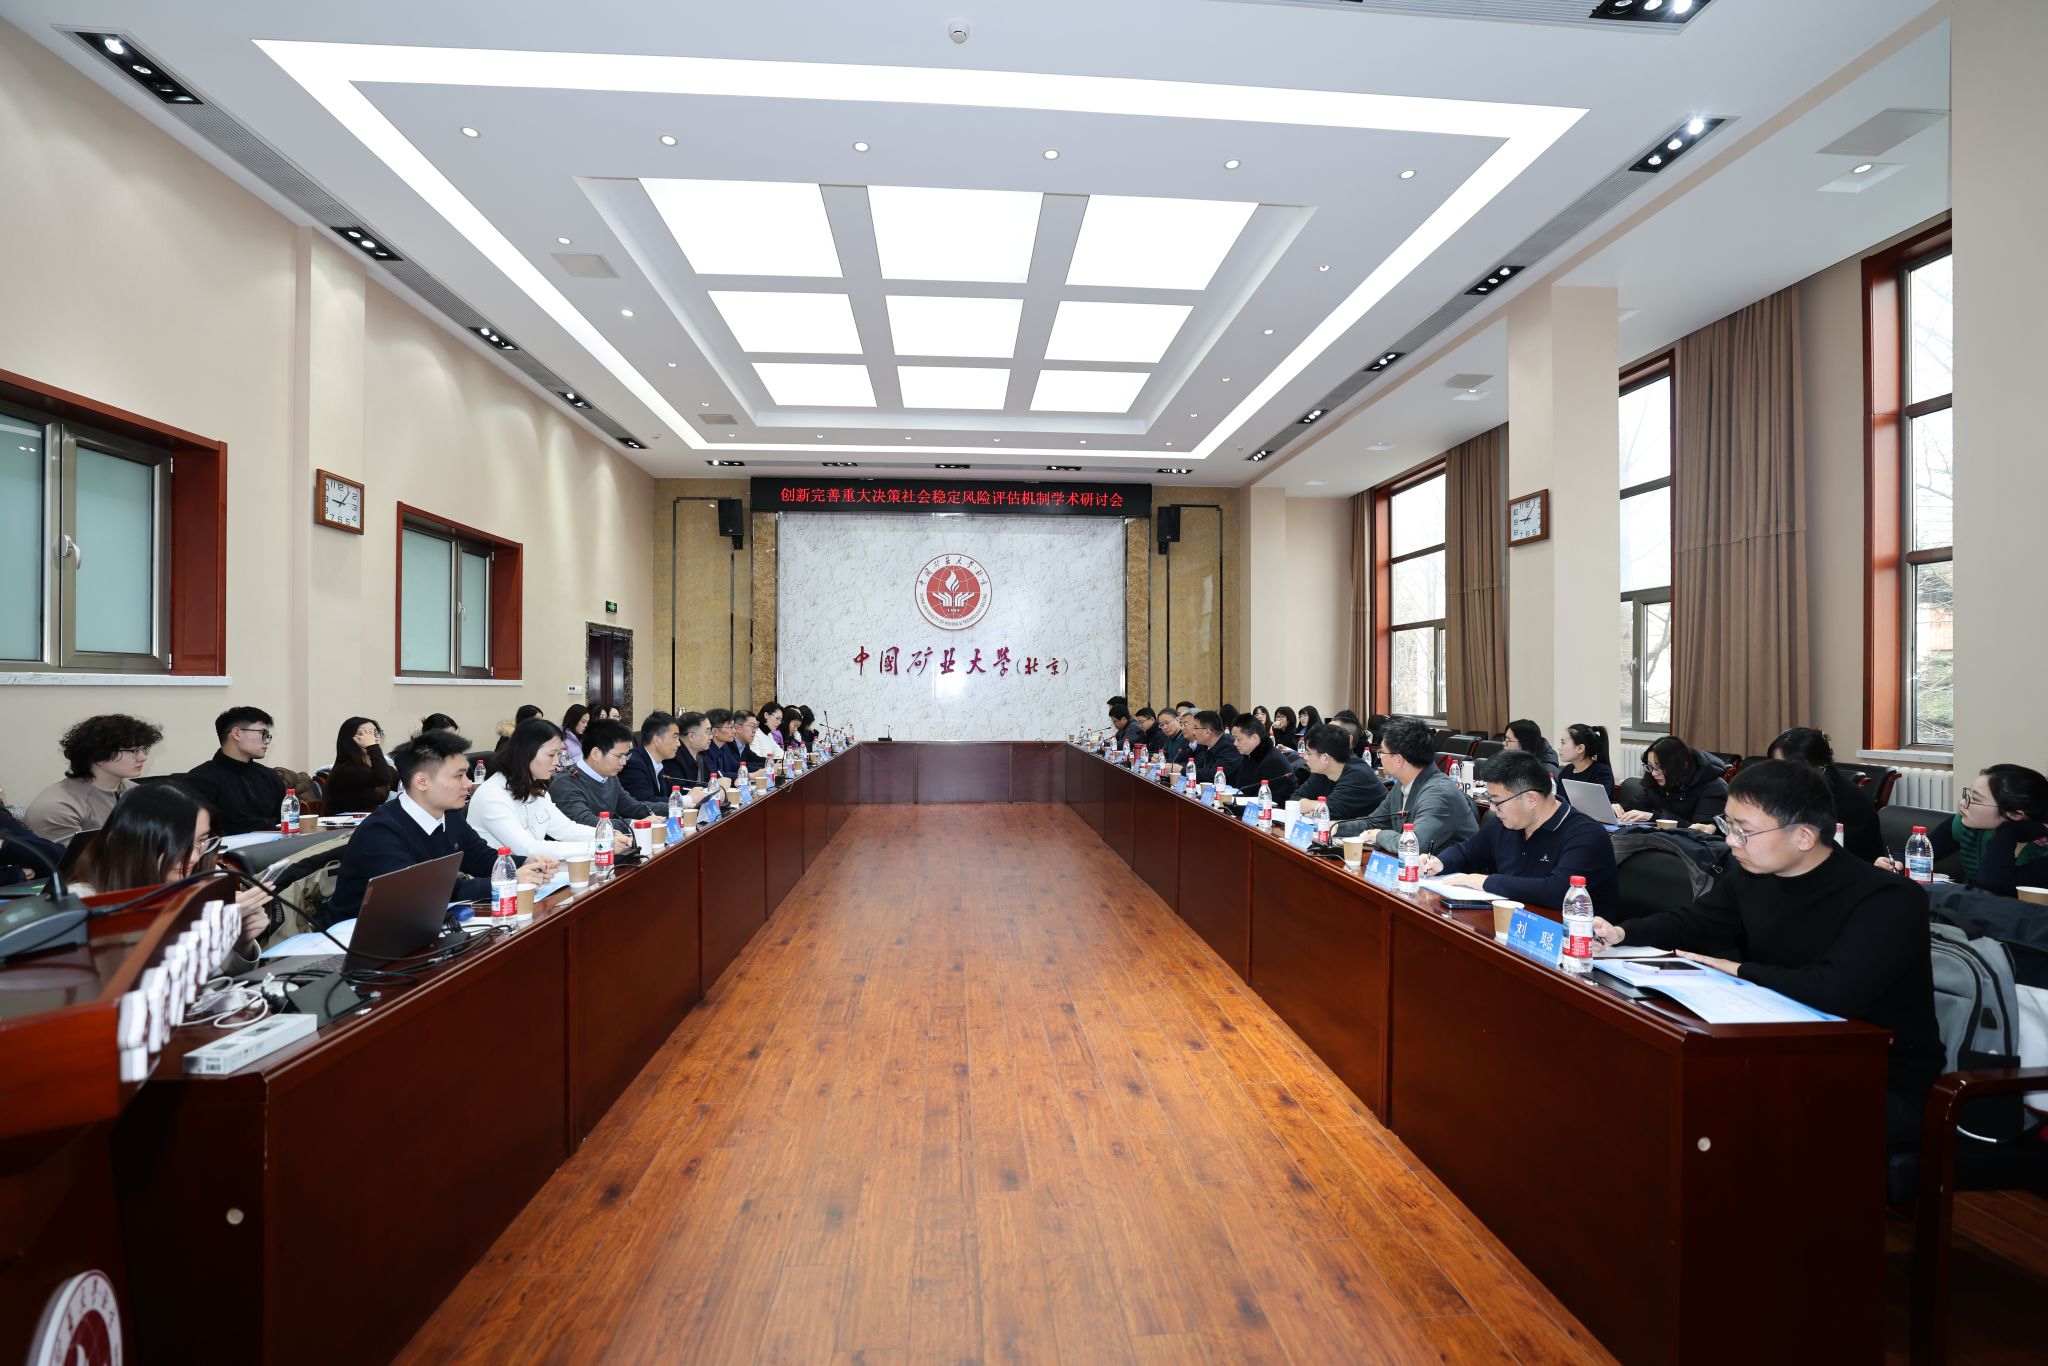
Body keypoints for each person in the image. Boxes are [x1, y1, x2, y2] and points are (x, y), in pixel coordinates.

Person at [1593, 761, 1941, 1144]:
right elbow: (1694, 922)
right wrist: (1621, 932)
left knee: (1708, 1114)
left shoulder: (1888, 898)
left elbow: (1835, 990)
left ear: (1804, 836)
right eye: (1728, 826)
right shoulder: (1751, 876)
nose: (1731, 841)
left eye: (1744, 831)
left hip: (1875, 1072)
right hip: (1777, 1040)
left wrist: (1737, 970)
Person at [322, 730, 554, 929]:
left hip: (416, 926)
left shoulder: (450, 816)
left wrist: (524, 863)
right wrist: (506, 881)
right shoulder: (381, 832)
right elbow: (420, 894)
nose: (468, 783)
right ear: (422, 782)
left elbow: (481, 858)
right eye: (459, 776)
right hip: (353, 936)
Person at [69, 780, 276, 967]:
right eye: (178, 845)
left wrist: (241, 943)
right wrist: (203, 926)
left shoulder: (208, 876)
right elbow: (118, 983)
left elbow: (229, 981)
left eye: (202, 841)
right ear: (135, 844)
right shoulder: (83, 903)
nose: (194, 857)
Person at [1420, 750, 1620, 911]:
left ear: (1531, 799)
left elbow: (1556, 892)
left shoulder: (1586, 836)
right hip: (1515, 923)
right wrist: (1440, 863)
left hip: (1573, 937)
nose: (1492, 809)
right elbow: (1467, 851)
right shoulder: (1505, 824)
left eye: (1497, 801)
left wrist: (1485, 882)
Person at [468, 720, 630, 859]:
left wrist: (607, 834)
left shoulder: (536, 788)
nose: (557, 762)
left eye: (559, 754)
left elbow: (566, 830)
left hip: (534, 873)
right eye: (551, 755)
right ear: (526, 753)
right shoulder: (492, 795)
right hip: (499, 880)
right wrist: (599, 846)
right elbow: (528, 848)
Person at [1879, 764, 2048, 896]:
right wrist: (1892, 864)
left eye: (1976, 799)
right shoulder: (1968, 825)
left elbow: (1994, 884)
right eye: (1968, 795)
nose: (1962, 803)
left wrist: (2009, 830)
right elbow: (1915, 854)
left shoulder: (2041, 851)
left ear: (2015, 814)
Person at [1341, 718, 1478, 855]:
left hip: (1452, 867)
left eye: (1382, 752)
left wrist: (1379, 835)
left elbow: (1412, 845)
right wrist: (1335, 827)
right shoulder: (1403, 784)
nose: (1379, 757)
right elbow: (1372, 823)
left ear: (1399, 760)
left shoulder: (1439, 792)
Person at [24, 713, 162, 843]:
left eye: (143, 749)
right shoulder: (58, 808)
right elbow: (70, 859)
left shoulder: (136, 793)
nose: (143, 757)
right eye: (134, 751)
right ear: (99, 756)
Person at [1767, 727, 1883, 863]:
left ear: (1821, 764)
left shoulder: (1850, 801)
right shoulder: (1785, 790)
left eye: (1792, 768)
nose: (1784, 776)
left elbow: (1829, 851)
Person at [181, 706, 290, 836]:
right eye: (263, 733)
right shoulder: (200, 780)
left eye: (268, 735)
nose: (267, 741)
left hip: (276, 845)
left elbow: (287, 824)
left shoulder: (270, 777)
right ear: (236, 734)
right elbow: (201, 835)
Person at [554, 718, 674, 826]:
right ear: (596, 754)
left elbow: (632, 807)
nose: (624, 762)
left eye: (625, 756)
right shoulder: (565, 783)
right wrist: (634, 824)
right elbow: (586, 821)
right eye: (619, 756)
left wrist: (675, 806)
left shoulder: (610, 777)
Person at [1620, 736, 1729, 830]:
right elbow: (1637, 807)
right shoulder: (1656, 780)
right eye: (1650, 766)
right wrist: (1618, 808)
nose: (1654, 773)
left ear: (1683, 766)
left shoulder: (1714, 788)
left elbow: (1700, 830)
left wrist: (1654, 817)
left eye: (1659, 767)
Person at [1297, 724, 1383, 821]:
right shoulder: (1322, 771)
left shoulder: (1358, 775)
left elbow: (1327, 814)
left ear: (1325, 758)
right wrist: (1319, 805)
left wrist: (1312, 807)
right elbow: (1294, 800)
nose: (1305, 757)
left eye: (1308, 753)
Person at [323, 717, 397, 814]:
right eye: (363, 734)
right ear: (349, 740)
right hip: (343, 822)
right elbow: (382, 778)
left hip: (371, 819)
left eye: (374, 733)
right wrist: (372, 747)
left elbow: (404, 783)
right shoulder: (344, 771)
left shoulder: (381, 768)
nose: (371, 738)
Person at [1229, 714, 1298, 804]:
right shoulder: (1250, 755)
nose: (1235, 743)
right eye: (1234, 738)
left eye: (1238, 739)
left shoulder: (1274, 762)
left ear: (1254, 738)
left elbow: (1269, 801)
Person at [620, 712, 684, 805]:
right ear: (657, 740)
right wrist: (686, 799)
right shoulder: (634, 764)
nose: (679, 744)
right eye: (675, 737)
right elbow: (645, 801)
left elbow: (671, 790)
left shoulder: (657, 762)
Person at [1557, 723, 1617, 803]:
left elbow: (1597, 804)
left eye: (1563, 743)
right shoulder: (1566, 771)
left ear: (1580, 748)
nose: (1559, 747)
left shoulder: (1602, 773)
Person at [1182, 711, 1240, 786]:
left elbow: (1213, 775)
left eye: (1195, 728)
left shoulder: (1230, 747)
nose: (1194, 732)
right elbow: (1197, 765)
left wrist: (1183, 770)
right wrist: (1177, 767)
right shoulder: (1205, 745)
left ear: (1207, 732)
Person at [664, 711, 716, 792]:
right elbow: (679, 792)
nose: (711, 737)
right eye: (707, 732)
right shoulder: (673, 758)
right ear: (691, 737)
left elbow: (714, 776)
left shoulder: (702, 754)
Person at [703, 709, 742, 780]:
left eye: (734, 727)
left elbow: (735, 766)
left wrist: (760, 769)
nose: (734, 731)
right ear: (715, 731)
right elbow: (715, 775)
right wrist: (748, 775)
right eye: (730, 727)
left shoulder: (724, 746)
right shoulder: (706, 749)